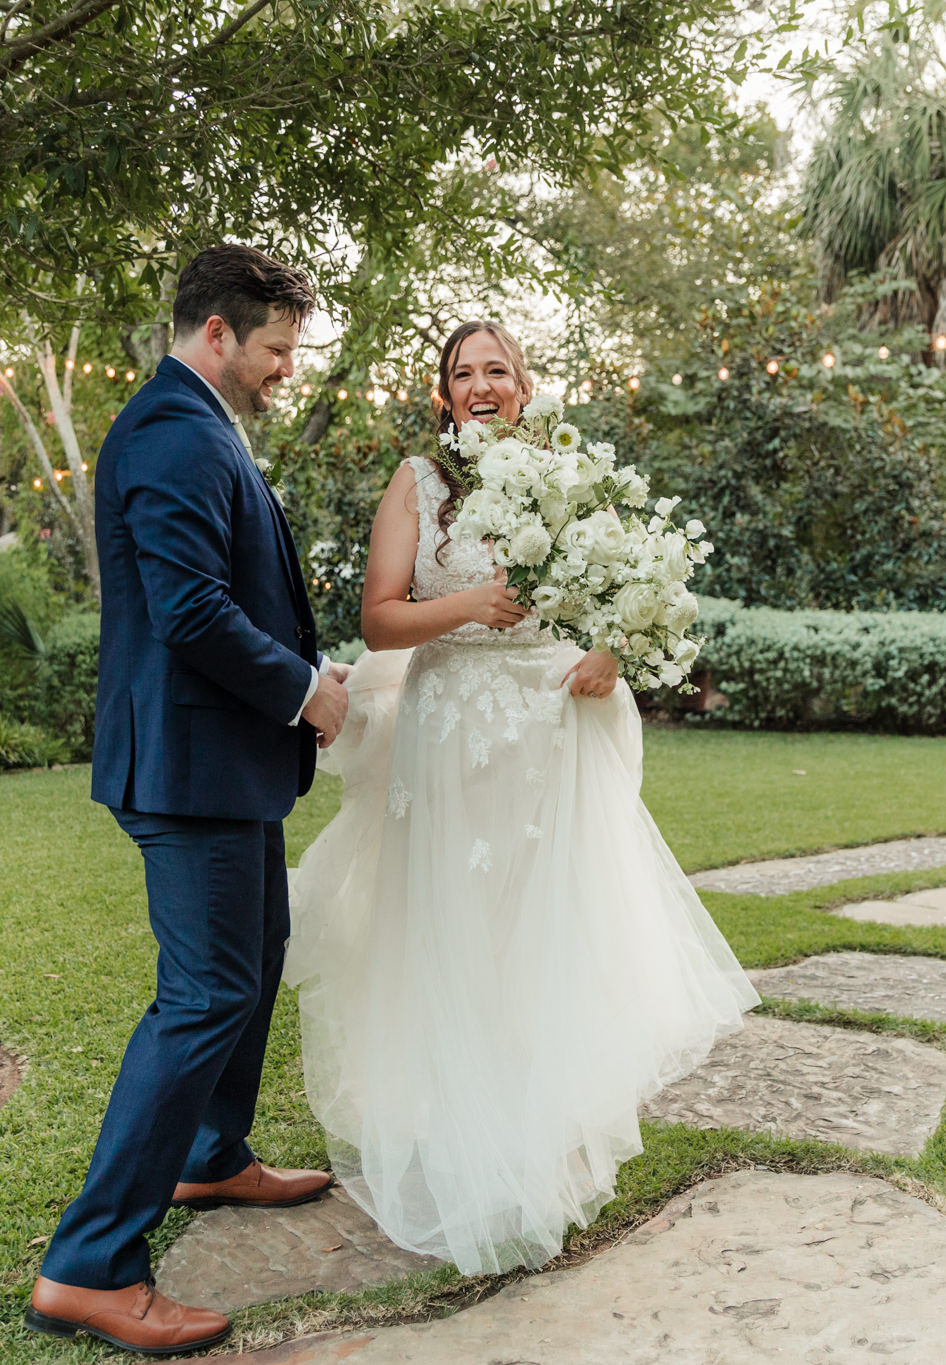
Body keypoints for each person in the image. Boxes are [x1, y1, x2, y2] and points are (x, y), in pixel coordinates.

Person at [285, 320, 758, 1276]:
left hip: (545, 734)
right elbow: (380, 614)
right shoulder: (418, 482)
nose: (481, 385)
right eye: (463, 374)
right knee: (455, 928)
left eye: (496, 369)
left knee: (538, 933)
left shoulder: (572, 479)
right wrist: (468, 606)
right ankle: (461, 1142)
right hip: (449, 728)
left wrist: (607, 652)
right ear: (445, 395)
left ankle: (541, 1142)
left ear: (526, 384)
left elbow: (633, 594)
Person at [26, 244, 352, 1356]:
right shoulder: (173, 428)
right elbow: (192, 613)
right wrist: (308, 692)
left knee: (252, 960)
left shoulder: (197, 422)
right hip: (190, 770)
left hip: (223, 768)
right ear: (216, 333)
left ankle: (211, 1155)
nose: (282, 370)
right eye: (273, 349)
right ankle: (88, 1267)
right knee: (205, 993)